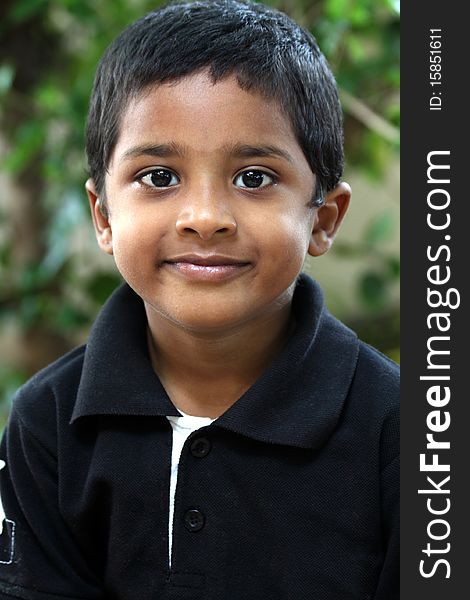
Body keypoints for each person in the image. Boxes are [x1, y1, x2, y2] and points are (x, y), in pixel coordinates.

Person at [0, 1, 399, 598]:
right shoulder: (48, 422)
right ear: (102, 216)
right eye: (159, 176)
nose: (205, 219)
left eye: (254, 178)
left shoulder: (402, 429)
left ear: (324, 218)